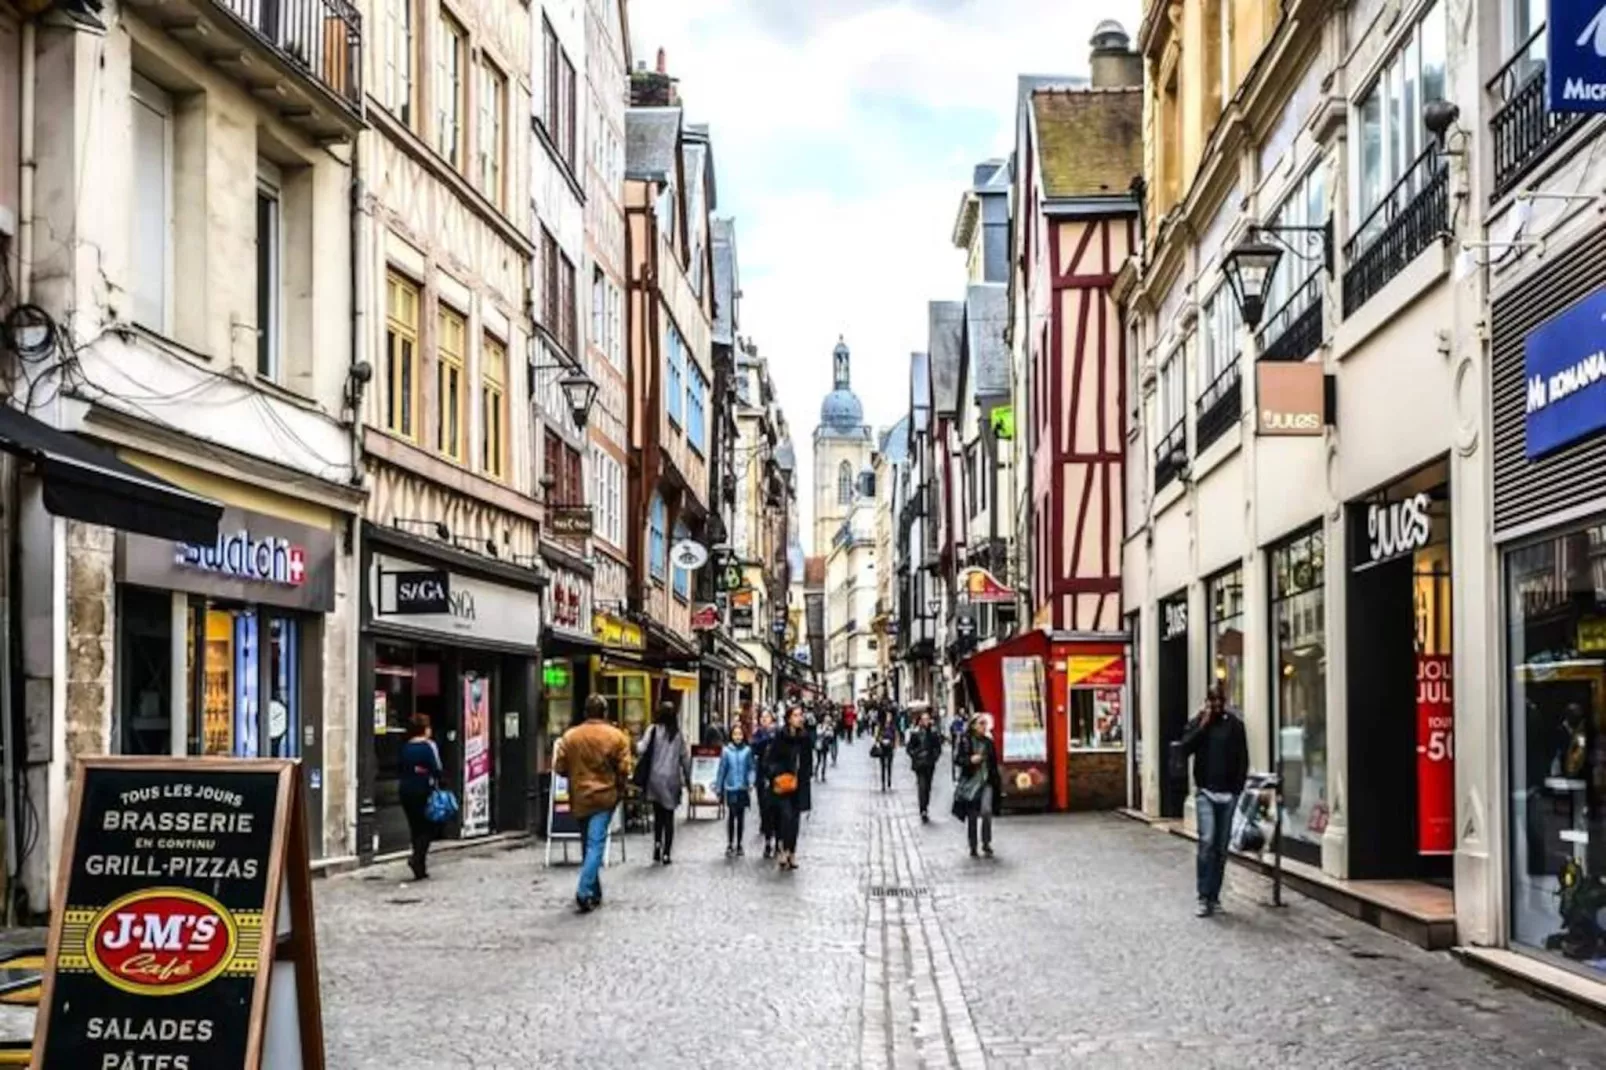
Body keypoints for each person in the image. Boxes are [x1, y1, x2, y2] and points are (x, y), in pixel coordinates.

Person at [554, 695, 633, 913]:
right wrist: (619, 787)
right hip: (604, 796)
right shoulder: (617, 737)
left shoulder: (570, 737)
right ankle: (584, 891)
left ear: (585, 712)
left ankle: (594, 892)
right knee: (596, 844)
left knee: (588, 844)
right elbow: (625, 769)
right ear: (605, 713)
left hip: (579, 796)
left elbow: (560, 767)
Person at [1178, 685, 1249, 917]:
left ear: (1225, 700)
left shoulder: (1236, 726)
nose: (1217, 704)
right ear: (1206, 701)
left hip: (1228, 794)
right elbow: (1185, 748)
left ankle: (1214, 896)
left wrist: (1237, 790)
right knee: (1207, 842)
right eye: (1212, 700)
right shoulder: (1199, 722)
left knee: (1220, 848)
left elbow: (1242, 758)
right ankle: (1202, 895)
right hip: (1205, 793)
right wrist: (1203, 725)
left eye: (1220, 700)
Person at [637, 702, 692, 865]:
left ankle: (657, 846)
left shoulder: (652, 730)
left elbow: (641, 748)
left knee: (658, 815)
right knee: (669, 817)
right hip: (672, 780)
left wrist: (629, 742)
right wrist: (689, 780)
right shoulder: (677, 734)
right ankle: (667, 852)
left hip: (654, 778)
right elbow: (685, 758)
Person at [764, 706, 814, 871]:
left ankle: (792, 851)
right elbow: (771, 759)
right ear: (788, 718)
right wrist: (777, 775)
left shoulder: (805, 737)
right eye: (796, 715)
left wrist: (806, 776)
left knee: (795, 820)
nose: (799, 718)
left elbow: (808, 761)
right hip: (783, 783)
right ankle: (783, 849)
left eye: (801, 715)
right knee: (784, 817)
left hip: (799, 784)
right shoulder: (781, 736)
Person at [397, 713, 444, 881]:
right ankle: (417, 859)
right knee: (429, 827)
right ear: (425, 729)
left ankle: (420, 867)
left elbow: (401, 768)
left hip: (405, 790)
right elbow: (437, 769)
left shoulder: (406, 747)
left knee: (415, 827)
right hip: (423, 790)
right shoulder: (428, 746)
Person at [954, 715, 1001, 858]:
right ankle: (973, 845)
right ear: (973, 725)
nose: (984, 726)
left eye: (985, 724)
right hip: (971, 782)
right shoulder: (966, 741)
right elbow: (958, 759)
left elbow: (993, 763)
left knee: (986, 811)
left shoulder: (988, 743)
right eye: (981, 723)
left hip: (986, 782)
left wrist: (996, 780)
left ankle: (986, 842)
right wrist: (970, 760)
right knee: (972, 816)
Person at [714, 723, 757, 856]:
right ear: (731, 736)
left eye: (739, 734)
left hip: (743, 788)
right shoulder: (726, 751)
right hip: (731, 787)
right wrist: (719, 787)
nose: (737, 737)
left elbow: (751, 768)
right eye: (735, 734)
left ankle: (739, 844)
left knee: (741, 816)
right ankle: (730, 844)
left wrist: (751, 782)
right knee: (732, 815)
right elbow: (722, 770)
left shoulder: (747, 751)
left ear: (743, 735)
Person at [750, 710, 780, 858]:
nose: (764, 720)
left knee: (776, 808)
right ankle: (767, 832)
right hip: (761, 775)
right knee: (764, 805)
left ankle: (774, 836)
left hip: (776, 777)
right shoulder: (758, 735)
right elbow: (753, 747)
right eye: (762, 717)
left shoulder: (779, 734)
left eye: (767, 717)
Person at [905, 710, 944, 823]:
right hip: (919, 764)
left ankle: (925, 805)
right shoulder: (915, 733)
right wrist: (915, 755)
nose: (926, 721)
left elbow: (938, 748)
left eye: (927, 719)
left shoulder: (933, 733)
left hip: (929, 764)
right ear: (921, 721)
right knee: (922, 786)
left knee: (928, 787)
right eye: (924, 719)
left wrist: (934, 758)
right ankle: (923, 809)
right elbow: (909, 749)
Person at [872, 712, 899, 792]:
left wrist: (894, 746)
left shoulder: (893, 727)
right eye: (887, 717)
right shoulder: (881, 726)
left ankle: (889, 781)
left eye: (889, 717)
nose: (888, 718)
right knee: (883, 766)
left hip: (890, 748)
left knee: (890, 765)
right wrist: (881, 740)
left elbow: (896, 736)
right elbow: (877, 736)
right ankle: (883, 783)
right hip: (882, 748)